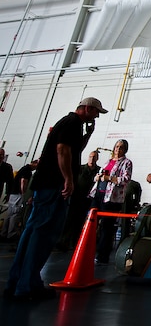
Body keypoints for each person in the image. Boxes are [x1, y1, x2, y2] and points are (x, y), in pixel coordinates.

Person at [3, 97, 105, 301]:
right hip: (53, 185)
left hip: (45, 185)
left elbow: (74, 150)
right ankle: (27, 286)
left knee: (32, 232)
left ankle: (18, 282)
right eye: (95, 112)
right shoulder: (72, 123)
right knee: (44, 234)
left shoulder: (70, 124)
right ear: (87, 108)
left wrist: (88, 134)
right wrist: (68, 179)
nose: (96, 116)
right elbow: (63, 150)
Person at [89, 139, 132, 264]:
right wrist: (98, 177)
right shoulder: (108, 161)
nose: (118, 149)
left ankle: (102, 256)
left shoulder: (127, 163)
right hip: (98, 194)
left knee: (106, 228)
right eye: (117, 147)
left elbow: (126, 179)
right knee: (91, 223)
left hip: (112, 199)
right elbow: (100, 173)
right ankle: (87, 251)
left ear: (125, 150)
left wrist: (110, 178)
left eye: (121, 147)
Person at [57, 149, 100, 250]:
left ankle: (74, 243)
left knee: (80, 222)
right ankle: (63, 242)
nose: (92, 159)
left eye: (94, 157)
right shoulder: (80, 169)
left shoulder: (98, 171)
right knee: (69, 219)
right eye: (90, 156)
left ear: (97, 159)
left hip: (87, 200)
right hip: (76, 198)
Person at [0, 159, 37, 242]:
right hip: (18, 195)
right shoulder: (27, 170)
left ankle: (4, 233)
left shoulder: (24, 169)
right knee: (15, 214)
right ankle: (11, 234)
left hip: (13, 194)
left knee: (10, 214)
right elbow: (23, 181)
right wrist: (24, 194)